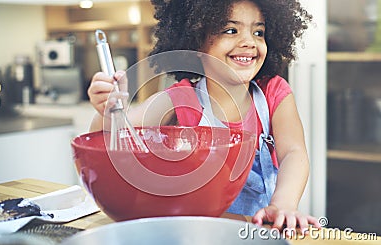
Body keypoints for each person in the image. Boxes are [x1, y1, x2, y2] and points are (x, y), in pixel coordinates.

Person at [88, 0, 321, 232]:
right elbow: (112, 139)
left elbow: (293, 153)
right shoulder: (179, 99)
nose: (250, 42)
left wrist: (283, 205)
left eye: (258, 32)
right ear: (197, 41)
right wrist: (108, 111)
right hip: (198, 233)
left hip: (259, 231)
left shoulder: (273, 93)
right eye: (231, 30)